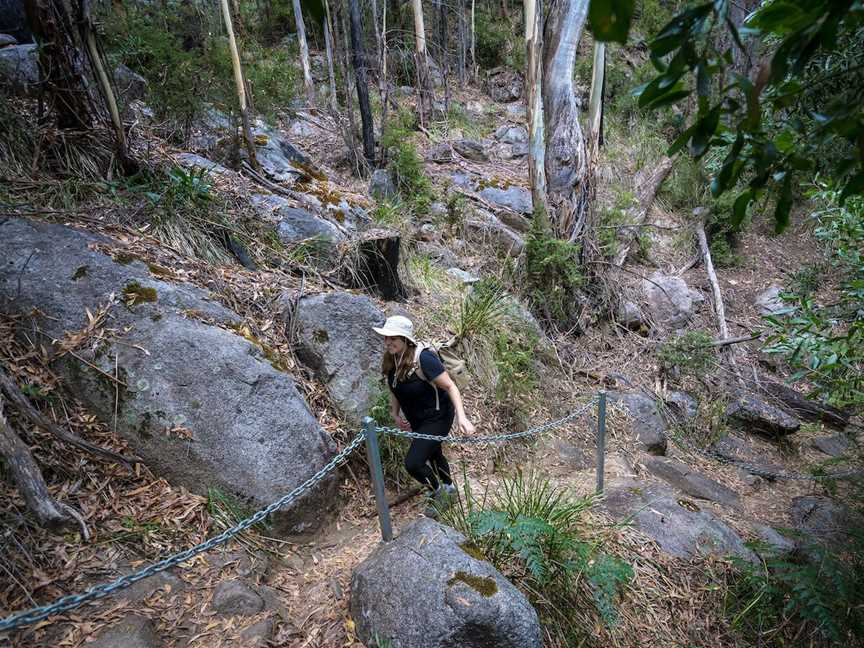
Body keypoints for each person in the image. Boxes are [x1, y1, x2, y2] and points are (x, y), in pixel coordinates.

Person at [373, 315, 476, 514]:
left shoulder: (424, 359)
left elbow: (450, 386)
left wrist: (462, 418)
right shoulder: (393, 358)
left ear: (405, 339)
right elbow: (395, 386)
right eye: (386, 338)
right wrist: (394, 413)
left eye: (393, 338)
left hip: (438, 416)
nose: (388, 342)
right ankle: (448, 488)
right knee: (433, 453)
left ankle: (439, 493)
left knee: (413, 462)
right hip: (417, 418)